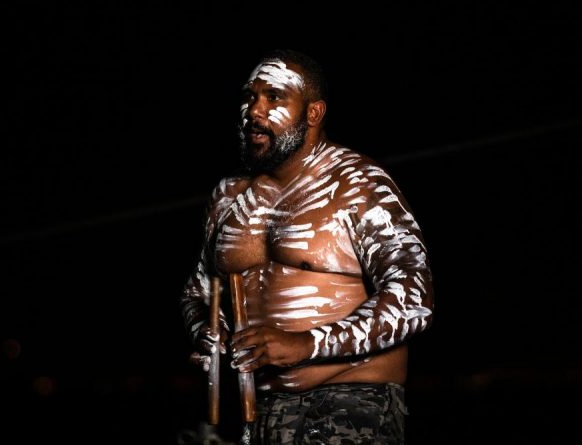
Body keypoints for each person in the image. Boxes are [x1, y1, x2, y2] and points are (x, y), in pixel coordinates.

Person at [180, 49, 434, 444]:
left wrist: (306, 344)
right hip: (256, 411)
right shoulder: (227, 196)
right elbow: (198, 293)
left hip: (351, 402)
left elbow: (414, 299)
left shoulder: (358, 183)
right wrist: (208, 333)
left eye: (274, 97)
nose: (254, 111)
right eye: (250, 96)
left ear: (313, 114)